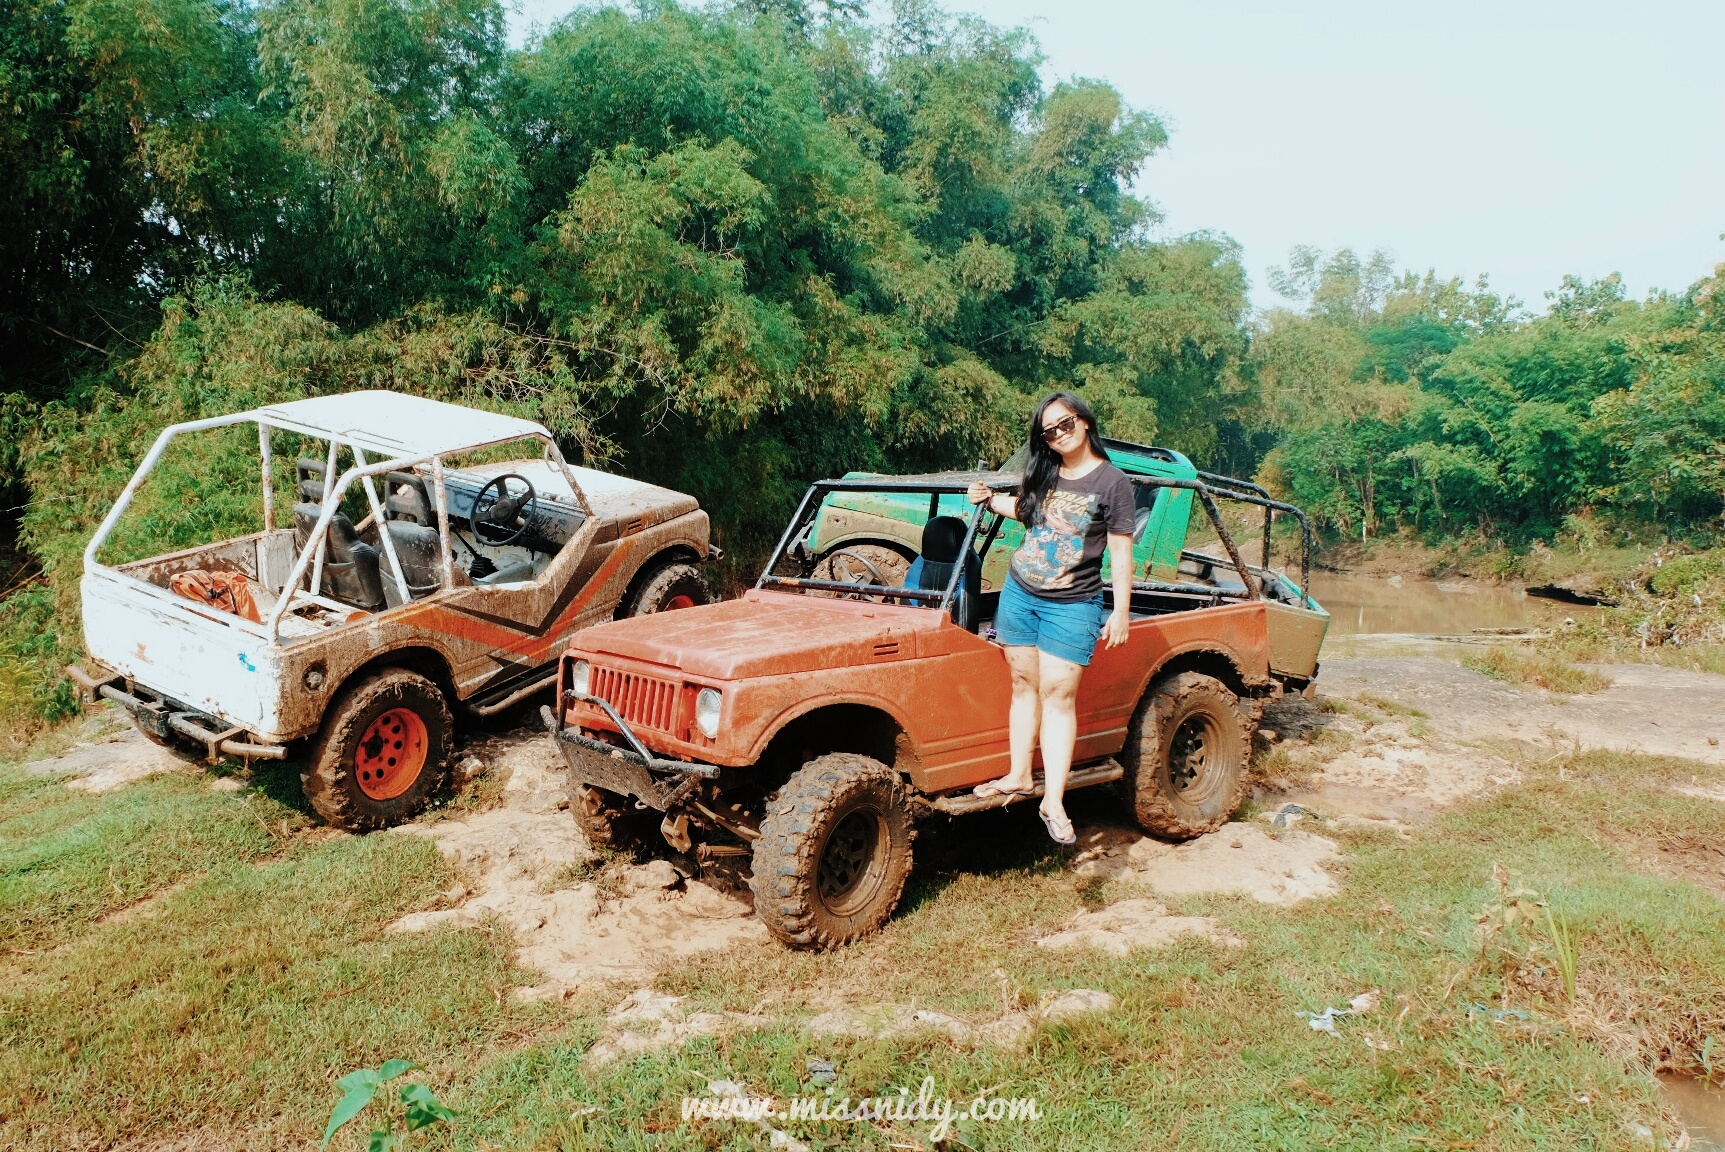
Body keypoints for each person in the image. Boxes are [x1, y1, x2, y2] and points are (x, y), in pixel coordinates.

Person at [966, 391, 1135, 844]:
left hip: (1073, 604)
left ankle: (1053, 800)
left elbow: (1120, 551)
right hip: (1020, 594)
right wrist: (986, 497)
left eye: (1065, 424)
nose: (1059, 435)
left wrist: (1120, 611)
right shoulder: (1044, 471)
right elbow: (1026, 512)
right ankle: (1019, 774)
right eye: (1048, 431)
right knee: (1024, 687)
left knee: (1058, 696)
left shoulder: (1112, 482)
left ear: (1083, 420)